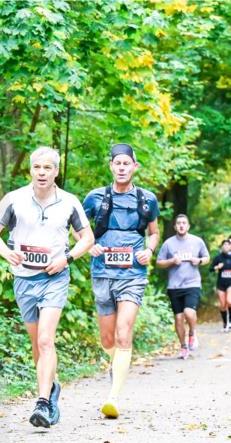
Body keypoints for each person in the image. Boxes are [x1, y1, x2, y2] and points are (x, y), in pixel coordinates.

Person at [0, 146, 94, 428]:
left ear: (56, 171)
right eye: (37, 167)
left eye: (48, 168)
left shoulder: (69, 202)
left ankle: (43, 403)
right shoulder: (14, 199)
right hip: (24, 279)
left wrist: (66, 259)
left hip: (54, 278)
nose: (42, 172)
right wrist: (7, 254)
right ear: (30, 170)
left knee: (46, 339)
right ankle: (52, 386)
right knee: (37, 345)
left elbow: (87, 238)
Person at [83, 143, 160, 418]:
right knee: (107, 339)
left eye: (127, 163)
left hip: (132, 275)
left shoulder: (147, 199)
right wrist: (88, 245)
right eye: (118, 163)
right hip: (103, 272)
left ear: (135, 167)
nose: (122, 167)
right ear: (111, 166)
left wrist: (149, 250)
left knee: (123, 333)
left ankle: (113, 398)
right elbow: (77, 229)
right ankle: (116, 367)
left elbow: (153, 232)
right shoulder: (95, 197)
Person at [156, 214, 209, 359]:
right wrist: (172, 260)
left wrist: (198, 261)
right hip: (174, 286)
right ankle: (183, 347)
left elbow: (207, 258)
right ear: (175, 227)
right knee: (178, 318)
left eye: (184, 223)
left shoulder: (197, 241)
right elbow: (159, 262)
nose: (181, 225)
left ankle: (192, 333)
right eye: (178, 223)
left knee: (189, 312)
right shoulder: (168, 243)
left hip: (192, 283)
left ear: (188, 226)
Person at [210, 239, 231, 331]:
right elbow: (211, 269)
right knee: (223, 305)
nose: (226, 247)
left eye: (228, 245)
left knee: (230, 301)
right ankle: (225, 323)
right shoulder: (218, 258)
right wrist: (217, 267)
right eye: (224, 245)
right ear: (222, 247)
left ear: (230, 247)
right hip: (221, 284)